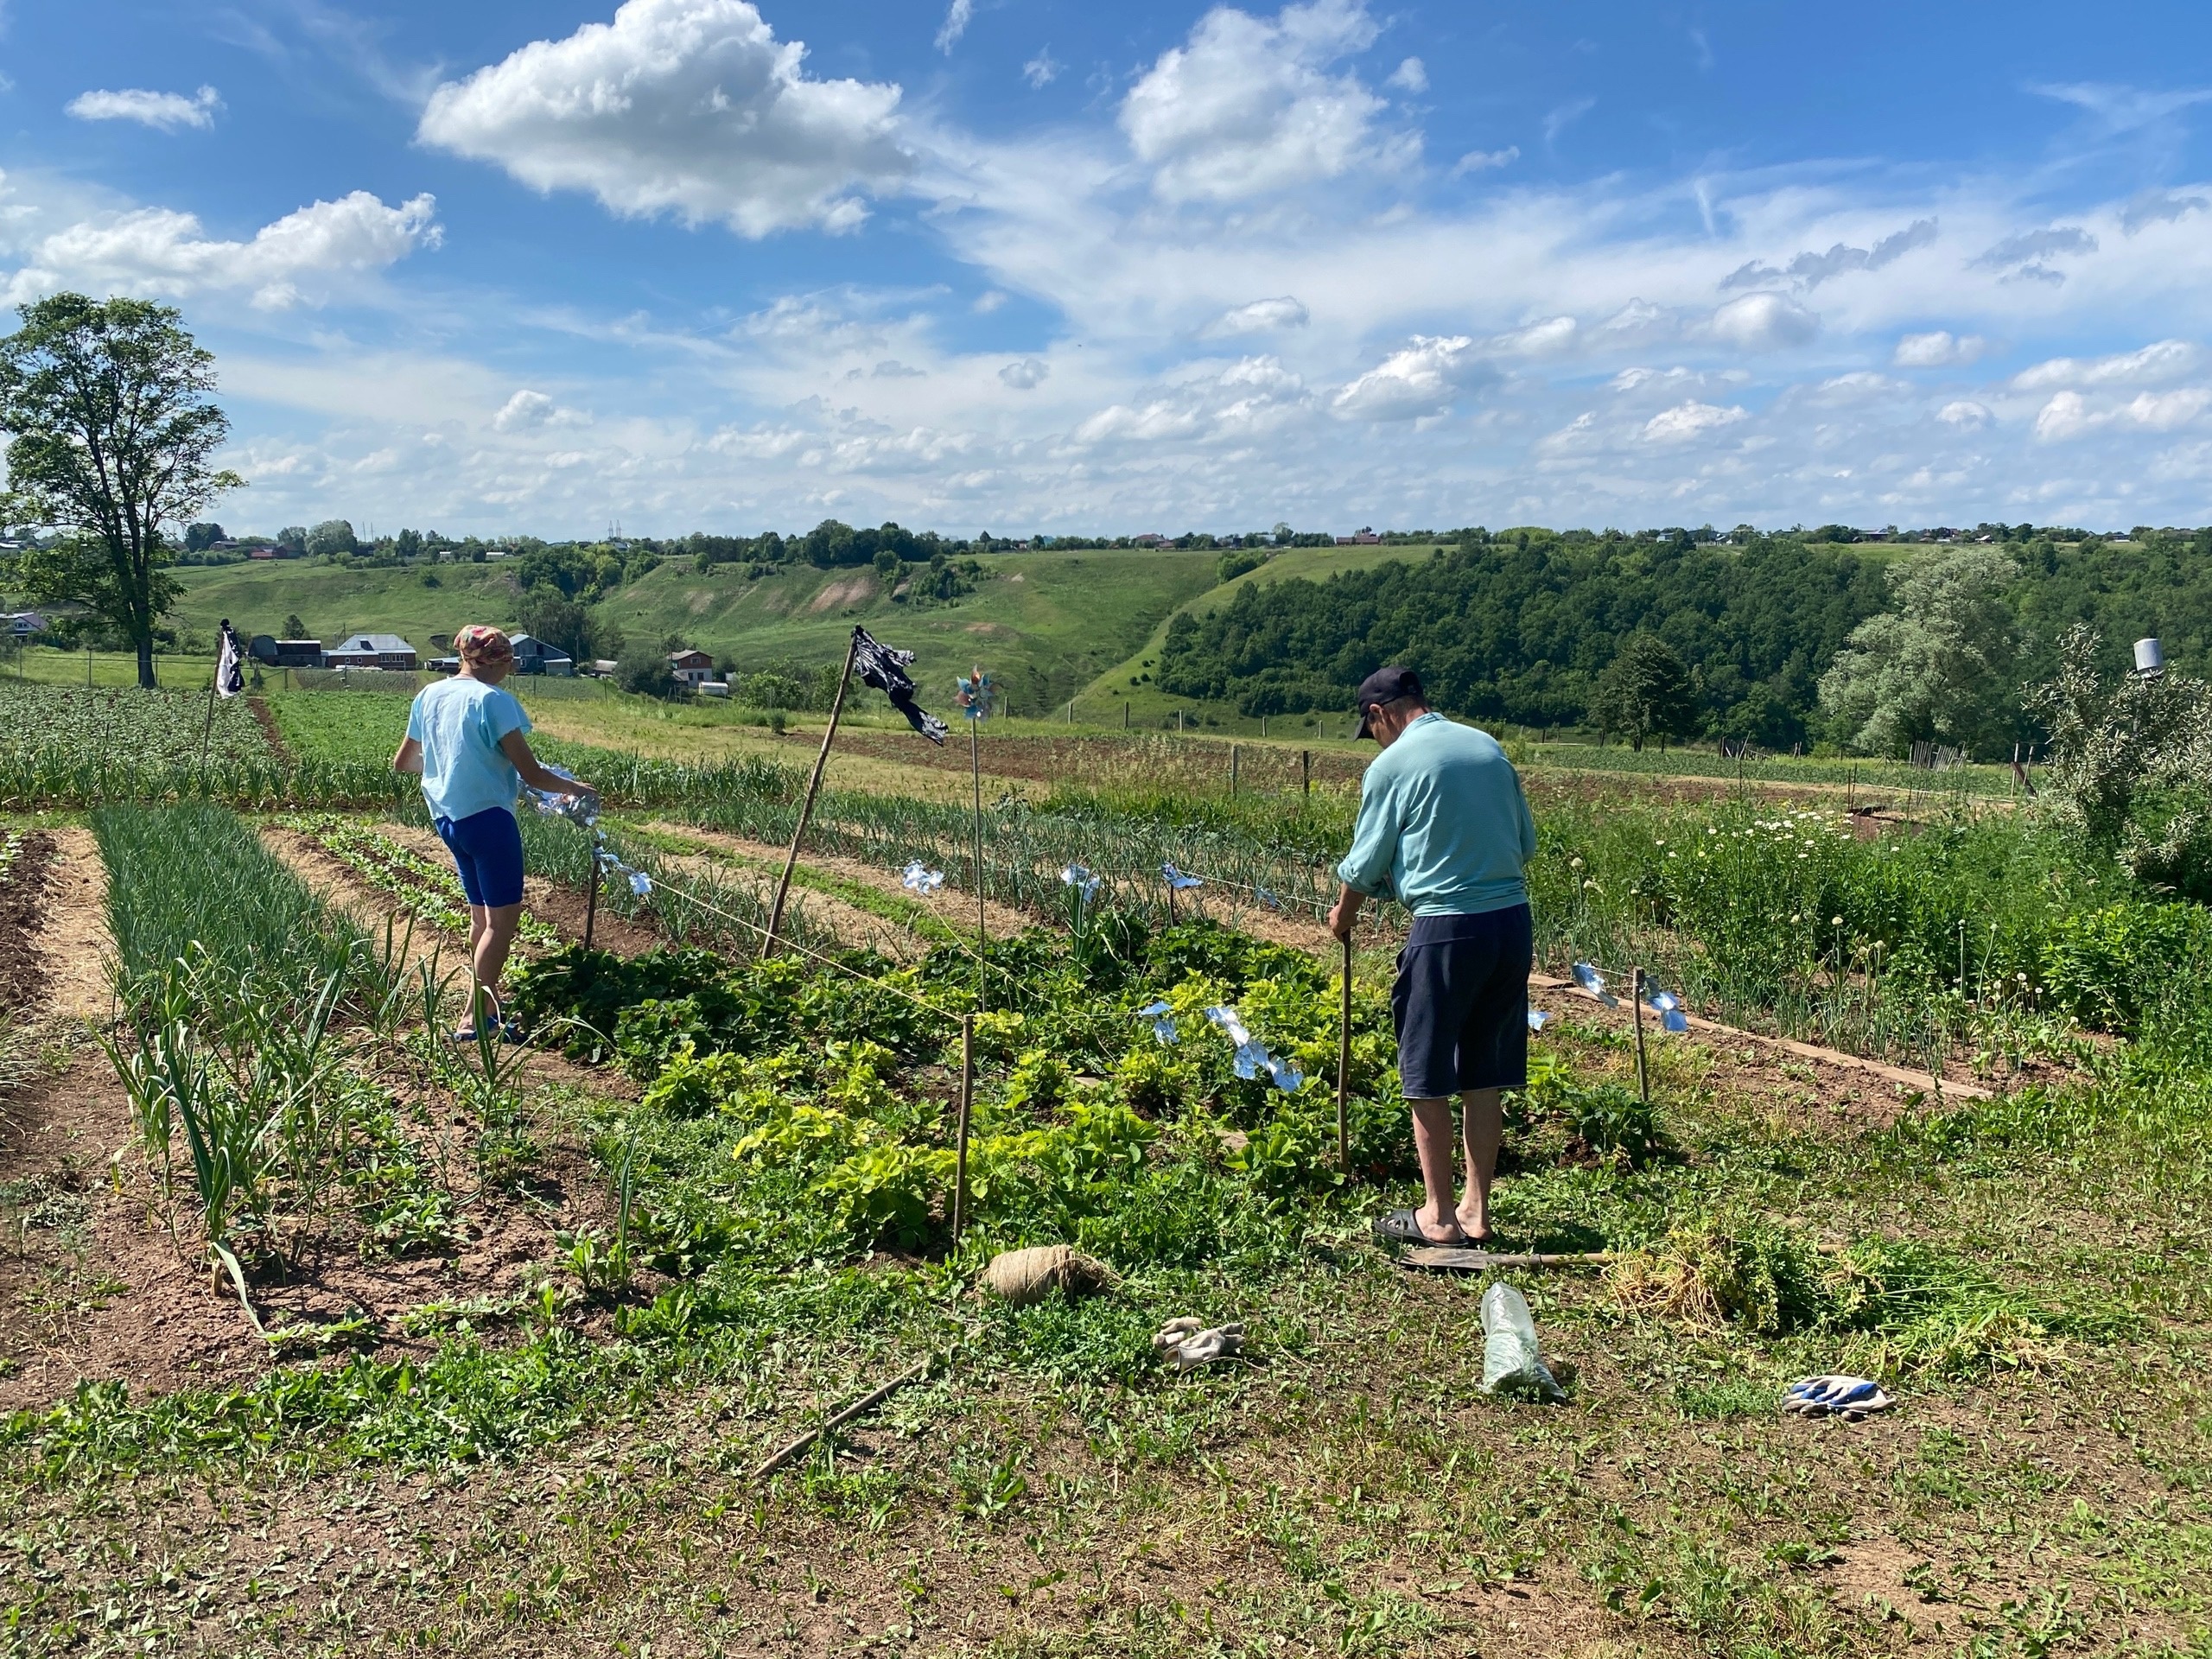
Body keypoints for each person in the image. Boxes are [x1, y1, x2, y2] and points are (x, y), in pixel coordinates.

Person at [1326, 667, 1536, 1248]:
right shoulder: (1486, 747)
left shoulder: (1391, 766)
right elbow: (1525, 843)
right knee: (1484, 1070)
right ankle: (1476, 1212)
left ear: (1379, 715)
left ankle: (1438, 1218)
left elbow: (1365, 863)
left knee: (1425, 1071)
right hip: (1512, 923)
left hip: (1448, 928)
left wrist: (1342, 919)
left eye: (1372, 731)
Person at [391, 625, 593, 1039]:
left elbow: (405, 762)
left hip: (449, 820)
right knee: (502, 924)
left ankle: (489, 1005)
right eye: (510, 661)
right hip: (489, 821)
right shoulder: (494, 701)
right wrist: (575, 789)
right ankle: (474, 1020)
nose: (511, 668)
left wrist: (454, 767)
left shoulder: (429, 694)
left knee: (481, 919)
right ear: (498, 661)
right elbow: (532, 772)